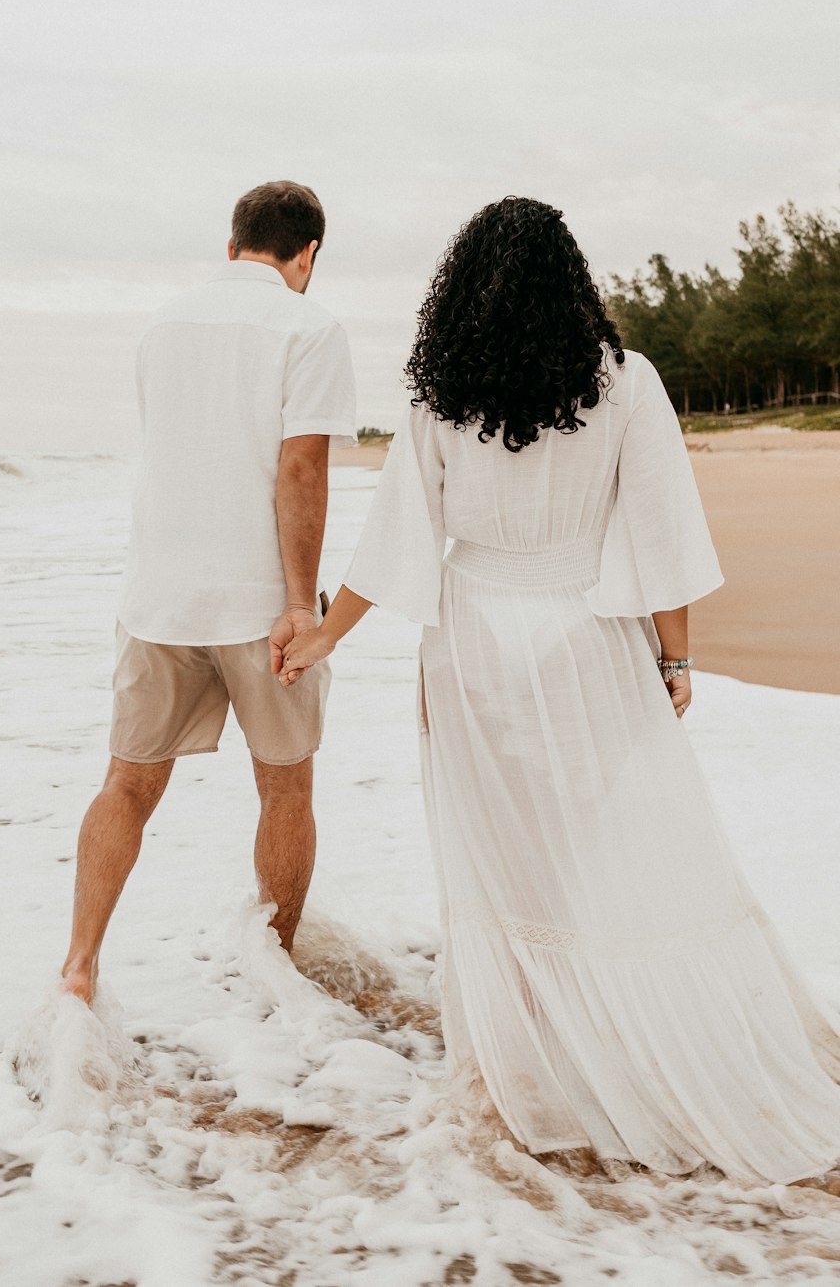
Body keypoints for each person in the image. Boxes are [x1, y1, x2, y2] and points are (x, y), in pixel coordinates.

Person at [279, 195, 840, 1185]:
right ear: (570, 281)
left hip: (475, 637)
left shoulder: (438, 392)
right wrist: (674, 661)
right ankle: (617, 1048)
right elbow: (662, 533)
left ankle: (528, 1067)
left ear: (463, 287)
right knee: (595, 845)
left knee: (501, 859)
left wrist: (327, 634)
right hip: (590, 633)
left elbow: (397, 542)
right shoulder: (626, 382)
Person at [61, 181, 357, 1005]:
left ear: (232, 248)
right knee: (286, 784)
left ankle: (79, 967)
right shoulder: (311, 325)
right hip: (258, 602)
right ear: (308, 255)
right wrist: (303, 604)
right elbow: (300, 467)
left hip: (156, 597)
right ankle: (274, 971)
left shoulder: (163, 325)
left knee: (126, 783)